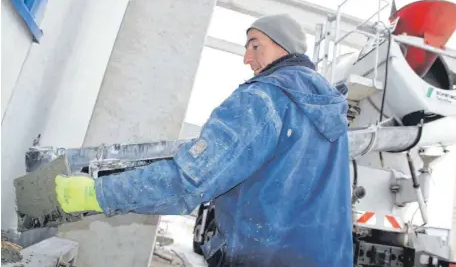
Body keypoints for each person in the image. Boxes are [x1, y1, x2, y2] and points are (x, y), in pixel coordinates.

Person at [55, 13, 353, 267]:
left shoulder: (263, 99)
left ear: (283, 46)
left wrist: (98, 193)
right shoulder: (327, 111)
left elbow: (190, 181)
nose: (247, 58)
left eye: (255, 44)